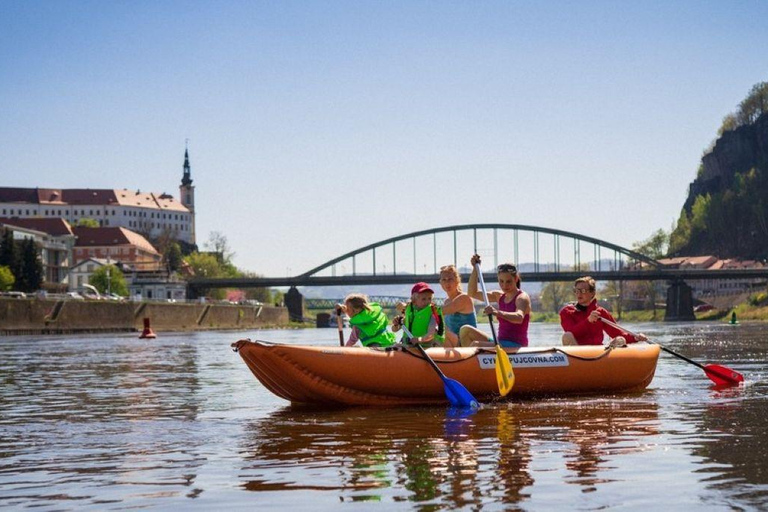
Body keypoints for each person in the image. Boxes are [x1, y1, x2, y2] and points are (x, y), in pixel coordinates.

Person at [460, 254, 531, 348]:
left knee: (476, 345)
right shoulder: (499, 296)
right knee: (465, 330)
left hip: (516, 345)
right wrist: (475, 269)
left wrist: (496, 312)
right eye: (501, 281)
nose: (505, 285)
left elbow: (519, 318)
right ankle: (466, 360)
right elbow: (472, 293)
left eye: (508, 281)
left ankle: (470, 361)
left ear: (516, 279)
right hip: (500, 342)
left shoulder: (522, 297)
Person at [559, 276, 648, 346]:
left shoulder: (600, 312)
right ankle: (580, 365)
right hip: (578, 352)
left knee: (620, 340)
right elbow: (572, 332)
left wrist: (636, 337)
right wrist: (588, 321)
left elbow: (617, 333)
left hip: (598, 352)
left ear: (592, 293)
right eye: (576, 290)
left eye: (583, 290)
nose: (579, 293)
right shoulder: (566, 312)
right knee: (567, 336)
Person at [392, 282, 448, 347]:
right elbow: (394, 330)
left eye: (429, 298)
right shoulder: (410, 311)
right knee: (395, 346)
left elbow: (431, 334)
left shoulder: (433, 312)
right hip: (410, 345)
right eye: (423, 299)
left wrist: (419, 339)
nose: (427, 302)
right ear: (414, 300)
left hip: (428, 345)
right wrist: (396, 324)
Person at [438, 264, 477, 347]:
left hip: (467, 343)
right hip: (454, 343)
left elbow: (439, 311)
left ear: (457, 281)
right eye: (444, 280)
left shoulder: (464, 298)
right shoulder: (446, 302)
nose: (447, 283)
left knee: (438, 331)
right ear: (440, 283)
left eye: (450, 279)